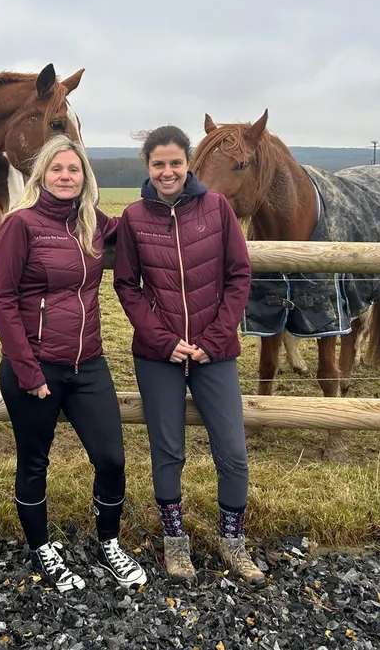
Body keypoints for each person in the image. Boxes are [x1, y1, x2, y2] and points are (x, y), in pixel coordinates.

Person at [0, 134, 147, 593]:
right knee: (35, 461)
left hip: (88, 364)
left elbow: (134, 229)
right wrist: (28, 371)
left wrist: (170, 200)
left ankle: (109, 541)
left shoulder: (92, 223)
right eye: (57, 169)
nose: (65, 176)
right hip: (34, 366)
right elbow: (1, 299)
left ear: (84, 178)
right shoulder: (20, 225)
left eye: (73, 170)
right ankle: (42, 549)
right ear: (42, 175)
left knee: (112, 459)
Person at [112, 125, 267, 587]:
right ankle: (175, 546)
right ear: (148, 167)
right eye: (158, 164)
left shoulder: (217, 209)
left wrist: (215, 338)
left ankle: (233, 544)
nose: (167, 171)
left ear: (188, 165)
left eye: (175, 163)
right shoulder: (134, 216)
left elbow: (239, 275)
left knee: (233, 453)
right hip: (158, 354)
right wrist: (163, 340)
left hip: (213, 352)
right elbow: (127, 286)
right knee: (168, 452)